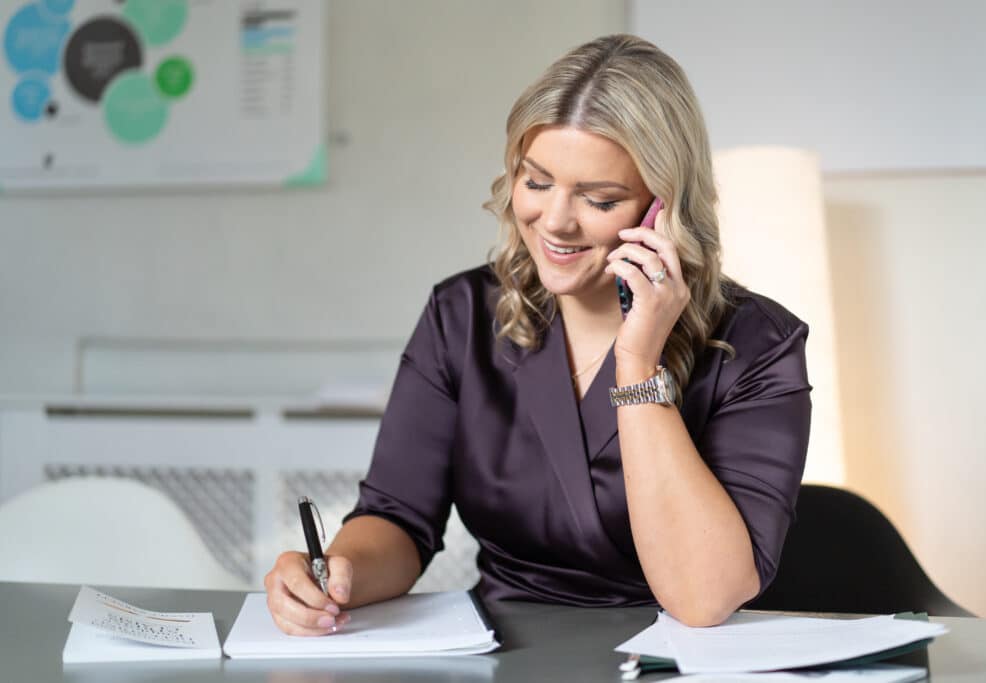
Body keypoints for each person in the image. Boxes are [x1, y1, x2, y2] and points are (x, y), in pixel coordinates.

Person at [264, 34, 811, 634]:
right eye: (537, 182)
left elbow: (703, 599)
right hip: (499, 644)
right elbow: (397, 518)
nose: (554, 221)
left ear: (663, 210)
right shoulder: (465, 313)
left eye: (599, 199)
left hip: (669, 652)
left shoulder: (759, 345)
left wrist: (637, 362)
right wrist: (336, 575)